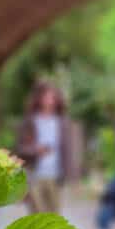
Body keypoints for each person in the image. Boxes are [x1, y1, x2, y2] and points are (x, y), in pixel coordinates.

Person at [15, 82, 74, 216]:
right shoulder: (30, 121)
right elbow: (20, 148)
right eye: (46, 97)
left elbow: (68, 151)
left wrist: (70, 174)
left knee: (54, 219)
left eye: (52, 97)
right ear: (39, 99)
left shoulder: (62, 122)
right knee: (37, 217)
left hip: (55, 175)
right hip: (35, 175)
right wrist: (36, 150)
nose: (49, 101)